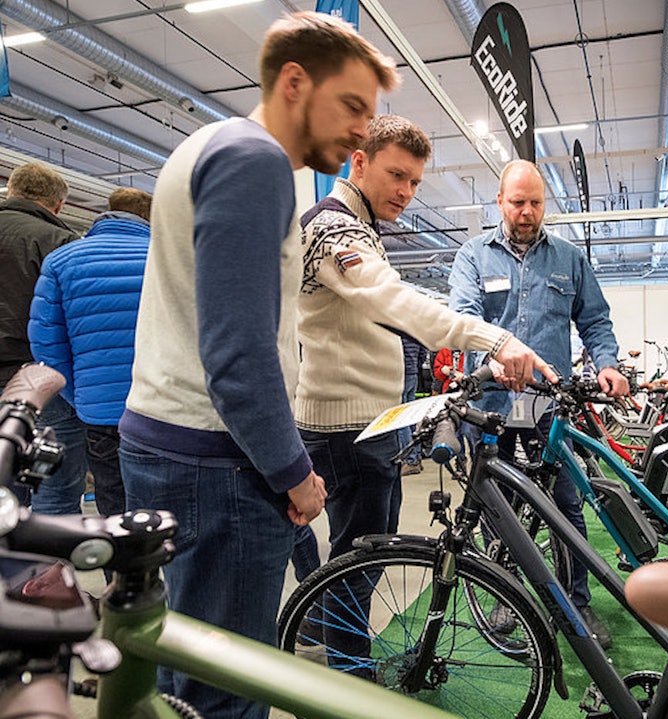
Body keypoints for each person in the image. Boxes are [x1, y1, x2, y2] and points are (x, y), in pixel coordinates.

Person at [117, 13, 397, 719]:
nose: (364, 129)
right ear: (296, 82)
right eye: (353, 105)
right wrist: (292, 473)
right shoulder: (256, 161)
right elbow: (238, 355)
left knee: (182, 674)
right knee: (227, 693)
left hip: (171, 444)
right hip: (218, 466)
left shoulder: (209, 146)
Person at [295, 115, 554, 572]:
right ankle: (339, 642)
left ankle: (323, 627)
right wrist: (495, 339)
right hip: (345, 429)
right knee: (359, 565)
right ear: (359, 161)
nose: (407, 191)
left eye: (414, 181)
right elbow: (397, 302)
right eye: (396, 175)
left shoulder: (361, 226)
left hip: (372, 423)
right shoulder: (333, 228)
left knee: (365, 558)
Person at [449, 159, 630, 649]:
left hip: (552, 408)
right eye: (517, 202)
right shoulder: (472, 256)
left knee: (567, 505)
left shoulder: (569, 258)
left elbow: (595, 320)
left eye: (535, 203)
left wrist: (608, 362)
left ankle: (577, 602)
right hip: (489, 405)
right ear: (499, 202)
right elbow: (463, 315)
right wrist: (496, 351)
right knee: (496, 506)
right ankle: (505, 594)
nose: (527, 212)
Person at [29, 187, 153, 519]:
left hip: (100, 412)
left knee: (113, 501)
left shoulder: (61, 260)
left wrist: (79, 397)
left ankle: (120, 571)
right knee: (163, 507)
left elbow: (46, 347)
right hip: (161, 410)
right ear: (149, 217)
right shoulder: (167, 256)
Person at [0, 162, 85, 512]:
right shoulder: (61, 242)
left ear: (10, 190)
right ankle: (44, 567)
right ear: (58, 205)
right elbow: (73, 321)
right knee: (56, 488)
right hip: (39, 382)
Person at [399, 332, 425, 476]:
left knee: (402, 420)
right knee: (412, 419)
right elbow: (423, 352)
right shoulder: (413, 333)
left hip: (401, 375)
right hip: (414, 374)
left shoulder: (398, 334)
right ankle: (417, 457)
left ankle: (410, 460)